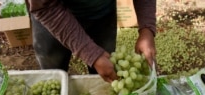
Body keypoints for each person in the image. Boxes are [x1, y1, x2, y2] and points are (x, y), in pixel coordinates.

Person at [25, 0, 157, 83]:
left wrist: (147, 28)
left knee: (105, 72)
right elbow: (44, 7)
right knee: (52, 77)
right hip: (52, 17)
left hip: (102, 13)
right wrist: (91, 53)